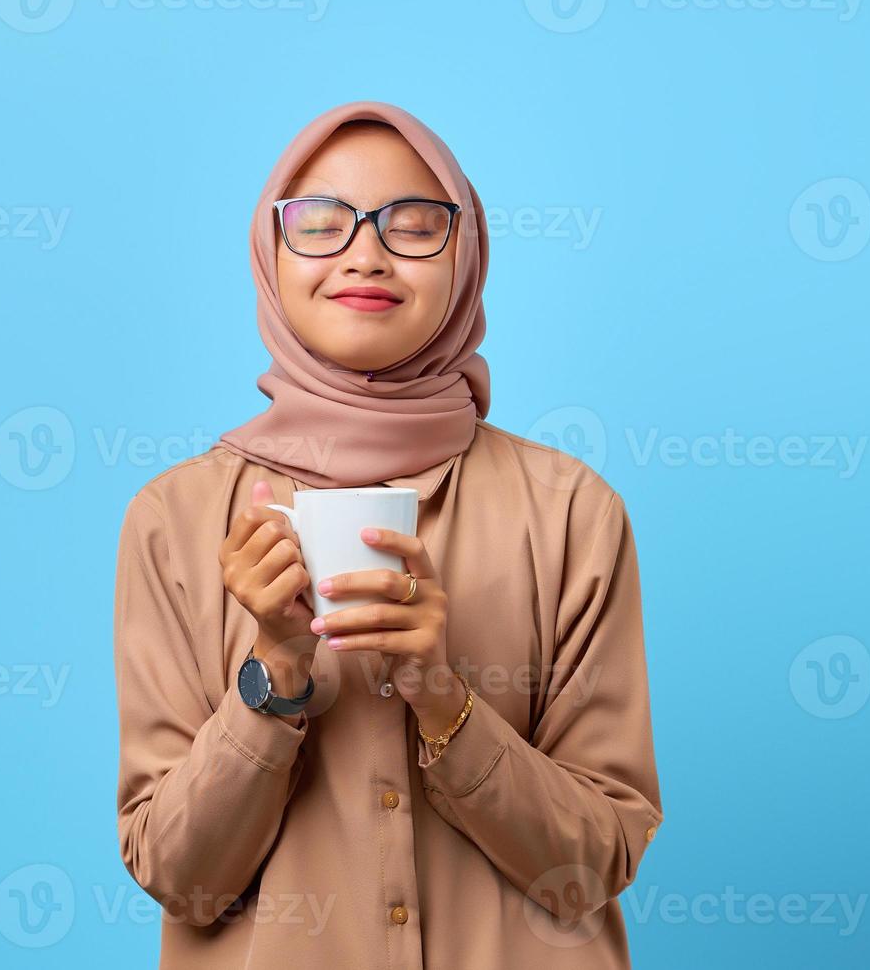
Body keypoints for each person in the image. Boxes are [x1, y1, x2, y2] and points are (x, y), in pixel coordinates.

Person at [113, 99, 663, 969]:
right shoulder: (175, 521)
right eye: (320, 225)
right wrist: (277, 674)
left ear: (466, 256)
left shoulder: (569, 511)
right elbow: (182, 882)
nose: (364, 254)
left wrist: (442, 696)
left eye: (412, 225)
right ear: (270, 254)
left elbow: (590, 868)